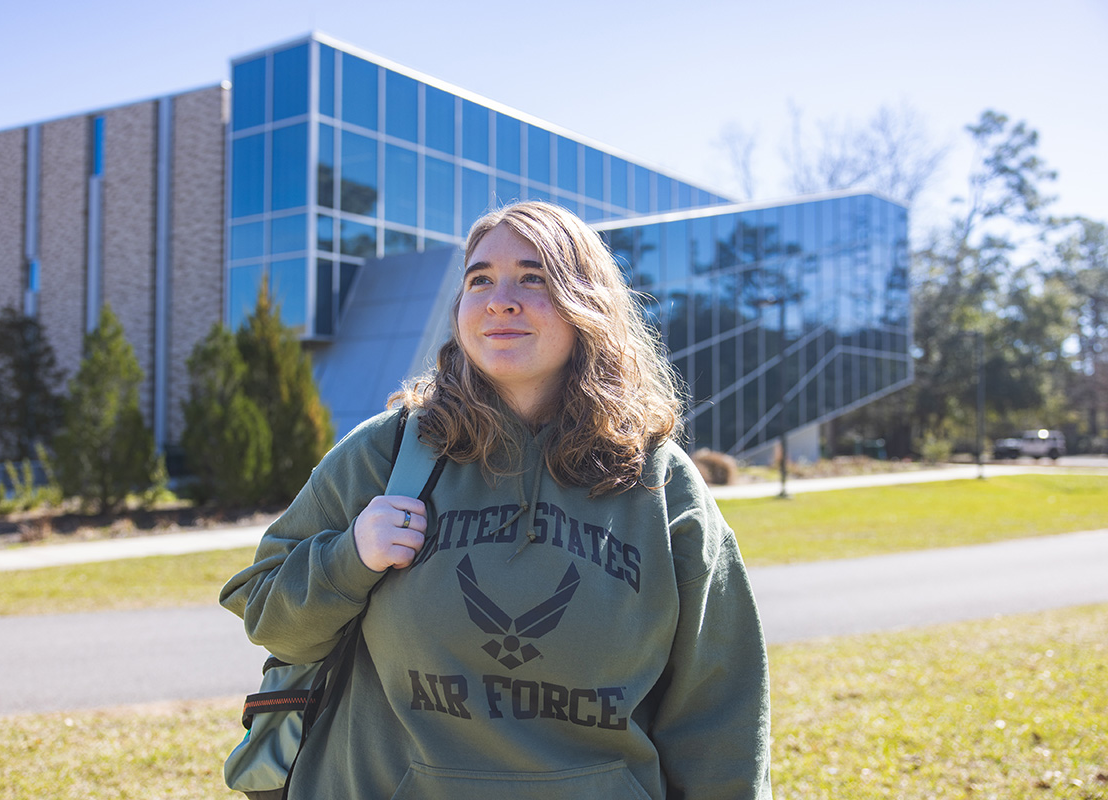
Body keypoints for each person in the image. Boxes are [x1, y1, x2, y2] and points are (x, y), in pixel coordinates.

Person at [221, 201, 771, 799]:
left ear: (589, 302)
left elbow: (720, 706)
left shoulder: (659, 484)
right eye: (479, 278)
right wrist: (349, 557)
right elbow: (269, 616)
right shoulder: (390, 452)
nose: (499, 299)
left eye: (533, 278)